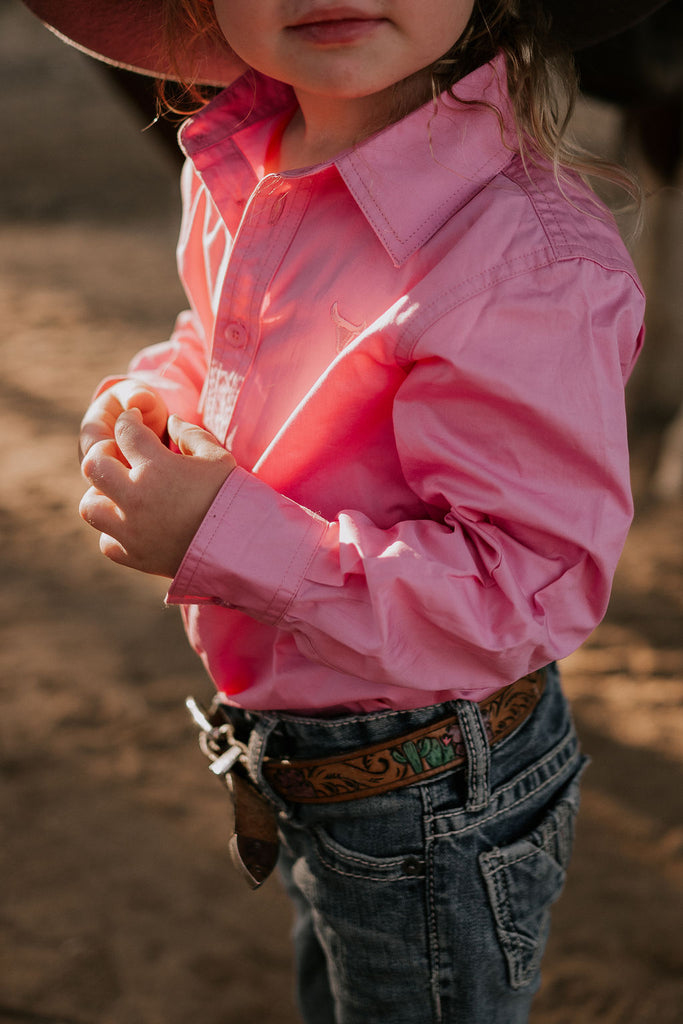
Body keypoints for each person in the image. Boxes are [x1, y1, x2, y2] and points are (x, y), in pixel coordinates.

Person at [23, 1, 666, 1021]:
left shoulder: (519, 261)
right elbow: (222, 342)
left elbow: (521, 590)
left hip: (432, 793)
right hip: (305, 756)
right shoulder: (243, 156)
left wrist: (215, 535)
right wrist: (156, 400)